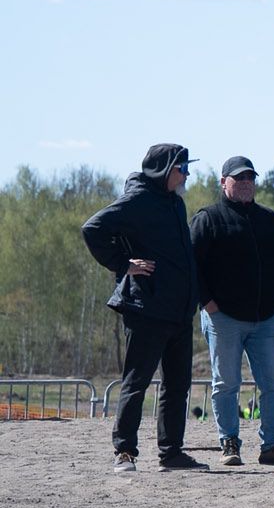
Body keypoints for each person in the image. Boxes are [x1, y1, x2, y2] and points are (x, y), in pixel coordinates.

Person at [81, 143, 206, 472]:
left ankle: (172, 453)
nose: (187, 175)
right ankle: (124, 452)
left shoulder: (175, 203)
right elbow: (93, 229)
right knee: (136, 383)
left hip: (179, 311)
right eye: (182, 168)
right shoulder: (137, 200)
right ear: (164, 169)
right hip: (147, 308)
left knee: (177, 386)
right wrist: (124, 263)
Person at [190, 155, 274, 466]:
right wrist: (208, 303)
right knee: (225, 384)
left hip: (266, 319)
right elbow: (192, 266)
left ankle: (273, 445)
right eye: (238, 178)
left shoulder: (270, 220)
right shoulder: (208, 218)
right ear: (223, 182)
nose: (244, 183)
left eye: (249, 178)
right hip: (222, 317)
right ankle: (229, 443)